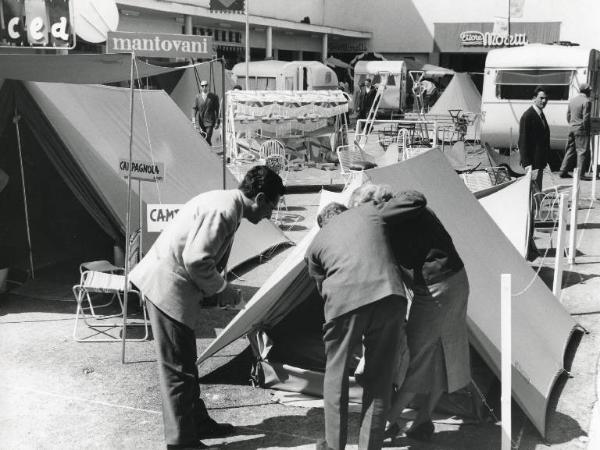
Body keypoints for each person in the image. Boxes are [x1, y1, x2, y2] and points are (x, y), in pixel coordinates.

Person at [130, 166, 285, 449]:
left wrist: (218, 291)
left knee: (185, 365)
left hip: (172, 288)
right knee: (178, 370)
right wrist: (223, 290)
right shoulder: (224, 210)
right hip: (166, 290)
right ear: (260, 198)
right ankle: (181, 442)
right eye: (270, 208)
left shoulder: (227, 204)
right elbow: (196, 260)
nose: (268, 216)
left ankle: (196, 423)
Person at [306, 201, 407, 450]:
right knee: (380, 378)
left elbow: (322, 289)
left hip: (345, 302)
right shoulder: (370, 213)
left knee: (336, 375)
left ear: (323, 224)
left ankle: (333, 446)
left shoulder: (315, 245)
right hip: (390, 296)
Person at [378, 189, 470, 442]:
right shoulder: (408, 216)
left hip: (437, 287)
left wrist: (375, 216)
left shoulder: (401, 211)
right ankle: (423, 421)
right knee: (440, 353)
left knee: (416, 358)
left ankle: (387, 424)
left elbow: (415, 196)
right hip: (453, 282)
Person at [518, 86, 550, 190]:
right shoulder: (528, 116)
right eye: (541, 98)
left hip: (539, 161)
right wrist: (527, 163)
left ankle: (535, 206)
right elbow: (522, 141)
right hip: (532, 162)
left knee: (537, 190)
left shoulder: (540, 114)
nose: (544, 101)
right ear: (534, 98)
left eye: (546, 98)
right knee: (533, 191)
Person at [559, 82, 593, 180]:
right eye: (589, 91)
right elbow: (586, 118)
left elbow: (568, 115)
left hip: (572, 128)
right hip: (581, 128)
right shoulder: (587, 101)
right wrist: (586, 130)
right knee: (582, 151)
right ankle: (580, 174)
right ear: (587, 91)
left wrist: (572, 124)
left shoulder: (572, 100)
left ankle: (562, 170)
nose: (590, 92)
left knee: (570, 150)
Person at [192, 80, 220, 145]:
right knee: (203, 138)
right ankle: (207, 150)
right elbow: (194, 108)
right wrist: (193, 119)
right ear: (200, 87)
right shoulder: (197, 97)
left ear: (208, 86)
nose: (204, 87)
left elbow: (217, 110)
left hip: (210, 121)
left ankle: (209, 152)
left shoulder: (214, 97)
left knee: (208, 137)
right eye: (202, 86)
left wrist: (217, 122)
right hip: (201, 121)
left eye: (206, 85)